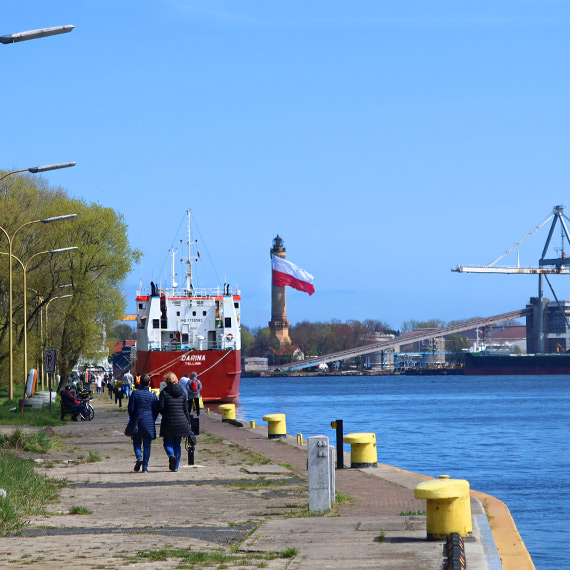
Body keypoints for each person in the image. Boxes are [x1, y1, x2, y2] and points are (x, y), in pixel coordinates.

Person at [158, 371, 193, 472]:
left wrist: (165, 413)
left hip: (168, 421)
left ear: (166, 381)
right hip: (181, 421)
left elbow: (161, 408)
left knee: (167, 443)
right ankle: (176, 467)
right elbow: (186, 409)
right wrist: (188, 422)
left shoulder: (164, 392)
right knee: (177, 444)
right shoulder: (182, 392)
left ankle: (171, 455)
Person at [127, 374, 159, 473]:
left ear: (139, 382)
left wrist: (133, 419)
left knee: (136, 442)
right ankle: (145, 467)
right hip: (149, 422)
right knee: (147, 445)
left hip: (137, 421)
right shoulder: (153, 395)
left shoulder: (135, 394)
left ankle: (139, 457)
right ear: (149, 383)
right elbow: (156, 410)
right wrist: (152, 418)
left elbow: (131, 409)